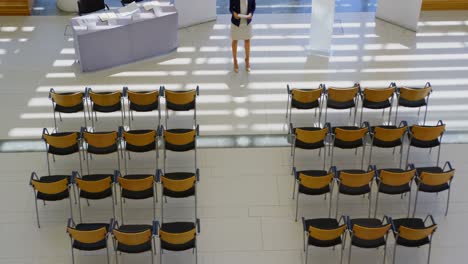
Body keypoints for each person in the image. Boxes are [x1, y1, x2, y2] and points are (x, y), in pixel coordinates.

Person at [230, 0, 256, 73]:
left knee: (247, 41)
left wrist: (251, 14)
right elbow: (230, 8)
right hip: (236, 22)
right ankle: (235, 61)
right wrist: (233, 13)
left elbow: (253, 6)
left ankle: (247, 60)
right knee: (235, 40)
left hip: (246, 22)